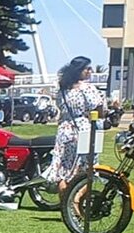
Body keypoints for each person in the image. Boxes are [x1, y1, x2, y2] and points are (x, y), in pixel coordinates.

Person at [42, 56, 107, 194]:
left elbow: (60, 108)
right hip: (82, 129)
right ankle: (76, 201)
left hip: (64, 130)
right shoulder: (86, 88)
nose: (90, 71)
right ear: (79, 70)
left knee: (63, 169)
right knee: (87, 168)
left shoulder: (63, 89)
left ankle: (65, 201)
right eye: (87, 69)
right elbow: (99, 110)